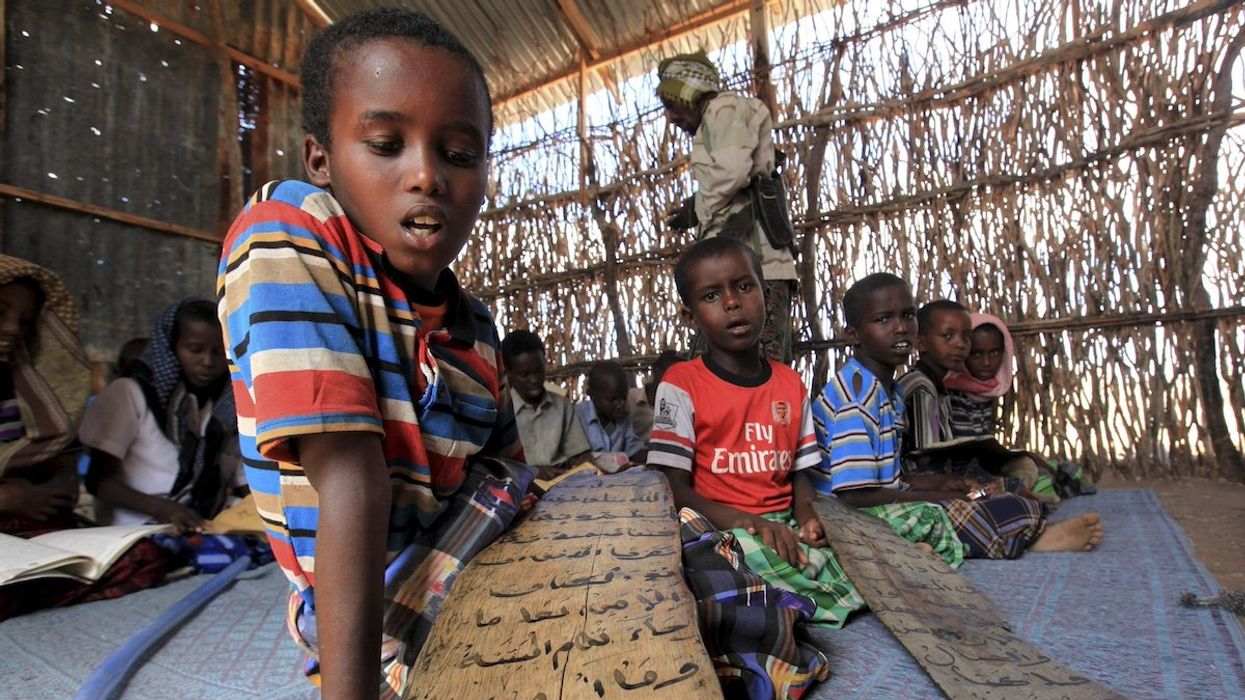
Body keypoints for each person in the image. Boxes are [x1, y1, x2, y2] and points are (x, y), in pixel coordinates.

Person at [217, 9, 530, 697]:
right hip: (376, 597)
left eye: (458, 154)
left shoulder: (473, 325)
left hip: (475, 556)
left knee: (677, 557)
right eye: (386, 143)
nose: (426, 176)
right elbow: (350, 476)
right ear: (320, 160)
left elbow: (509, 478)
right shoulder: (287, 234)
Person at [648, 237, 867, 627]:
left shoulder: (789, 384)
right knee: (729, 559)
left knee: (862, 529)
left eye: (744, 287)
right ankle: (839, 586)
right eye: (712, 295)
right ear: (689, 315)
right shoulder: (680, 384)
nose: (732, 302)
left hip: (782, 520)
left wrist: (806, 518)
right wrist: (751, 523)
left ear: (765, 295)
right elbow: (674, 489)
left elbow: (802, 473)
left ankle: (806, 589)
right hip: (722, 526)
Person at [811, 274, 1103, 560]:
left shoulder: (889, 390)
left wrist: (940, 482)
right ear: (854, 335)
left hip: (876, 497)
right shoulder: (857, 400)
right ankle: (1032, 539)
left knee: (998, 490)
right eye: (883, 320)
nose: (900, 328)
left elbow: (887, 477)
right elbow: (856, 496)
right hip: (847, 513)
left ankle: (1020, 533)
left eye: (908, 315)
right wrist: (933, 496)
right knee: (940, 512)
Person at [0, 255, 167, 620]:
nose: (12, 329)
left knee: (144, 557)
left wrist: (58, 485)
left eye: (25, 321)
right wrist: (8, 497)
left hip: (27, 529)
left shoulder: (32, 390)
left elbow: (60, 464)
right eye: (2, 312)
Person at [656, 51, 799, 364]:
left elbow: (733, 172)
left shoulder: (724, 107)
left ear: (688, 92)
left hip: (760, 268)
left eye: (671, 105)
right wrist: (695, 208)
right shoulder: (716, 119)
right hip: (744, 269)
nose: (671, 117)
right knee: (733, 368)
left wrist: (698, 209)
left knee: (757, 368)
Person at [80, 299, 243, 531]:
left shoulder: (223, 409)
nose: (208, 362)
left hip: (201, 525)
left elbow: (240, 479)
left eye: (219, 352)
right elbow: (99, 481)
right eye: (195, 349)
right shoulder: (130, 393)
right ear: (171, 345)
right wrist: (164, 509)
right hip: (135, 530)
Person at [897, 300, 1056, 504]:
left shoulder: (937, 386)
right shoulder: (921, 387)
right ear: (921, 343)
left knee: (1017, 476)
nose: (960, 344)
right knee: (1008, 493)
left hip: (937, 476)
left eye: (966, 337)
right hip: (921, 484)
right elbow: (927, 459)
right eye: (948, 336)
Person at [502, 329, 591, 477]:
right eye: (524, 374)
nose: (534, 379)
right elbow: (497, 465)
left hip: (559, 480)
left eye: (539, 370)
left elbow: (580, 454)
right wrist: (533, 472)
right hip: (520, 482)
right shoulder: (503, 411)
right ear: (508, 375)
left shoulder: (562, 406)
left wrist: (584, 465)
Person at [576, 359, 646, 464]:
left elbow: (633, 449)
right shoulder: (577, 417)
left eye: (623, 398)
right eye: (612, 400)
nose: (620, 405)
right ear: (591, 394)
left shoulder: (623, 418)